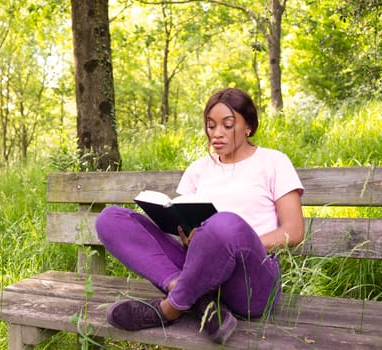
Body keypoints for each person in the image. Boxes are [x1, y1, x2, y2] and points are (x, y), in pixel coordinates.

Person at [95, 87, 304, 344]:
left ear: (248, 125)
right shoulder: (198, 170)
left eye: (227, 125)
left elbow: (294, 232)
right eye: (210, 125)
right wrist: (190, 238)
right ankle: (198, 300)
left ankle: (169, 309)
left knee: (224, 224)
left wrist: (229, 245)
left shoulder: (274, 162)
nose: (216, 133)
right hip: (198, 267)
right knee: (111, 219)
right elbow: (184, 220)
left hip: (251, 279)